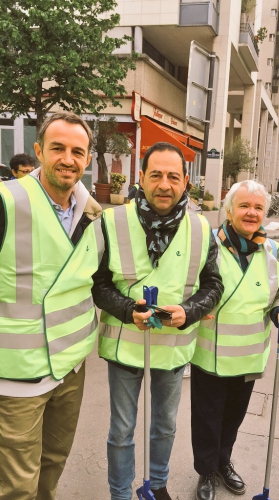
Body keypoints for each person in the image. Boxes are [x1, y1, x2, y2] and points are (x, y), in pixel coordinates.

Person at [92, 141, 223, 500]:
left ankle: (158, 485)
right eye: (156, 175)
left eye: (173, 177)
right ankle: (120, 493)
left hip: (173, 349)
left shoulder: (201, 229)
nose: (164, 184)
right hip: (124, 346)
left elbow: (214, 283)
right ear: (142, 177)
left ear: (185, 183)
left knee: (164, 426)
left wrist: (192, 310)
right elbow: (98, 284)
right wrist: (125, 309)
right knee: (121, 430)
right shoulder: (111, 221)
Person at [0, 111, 104, 500]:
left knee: (53, 464)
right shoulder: (7, 201)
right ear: (38, 150)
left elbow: (97, 282)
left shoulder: (91, 213)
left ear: (88, 159)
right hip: (17, 378)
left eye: (78, 151)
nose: (68, 158)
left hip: (70, 369)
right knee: (17, 487)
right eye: (57, 148)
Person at [190, 180, 279, 500]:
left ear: (265, 213)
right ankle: (206, 472)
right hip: (211, 353)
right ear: (229, 209)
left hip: (250, 354)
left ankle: (223, 462)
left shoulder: (273, 250)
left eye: (258, 207)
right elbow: (185, 285)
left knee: (234, 417)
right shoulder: (207, 244)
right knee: (207, 418)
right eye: (244, 206)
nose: (251, 213)